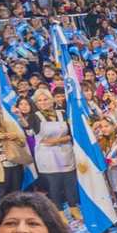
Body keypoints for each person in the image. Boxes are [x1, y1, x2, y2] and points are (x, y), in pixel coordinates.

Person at [28, 86, 81, 220]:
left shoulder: (62, 113)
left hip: (66, 153)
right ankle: (59, 212)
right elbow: (40, 137)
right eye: (39, 101)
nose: (43, 102)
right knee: (54, 186)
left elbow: (72, 133)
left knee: (70, 183)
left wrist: (58, 140)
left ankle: (74, 208)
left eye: (45, 99)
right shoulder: (34, 117)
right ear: (36, 103)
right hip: (48, 157)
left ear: (51, 100)